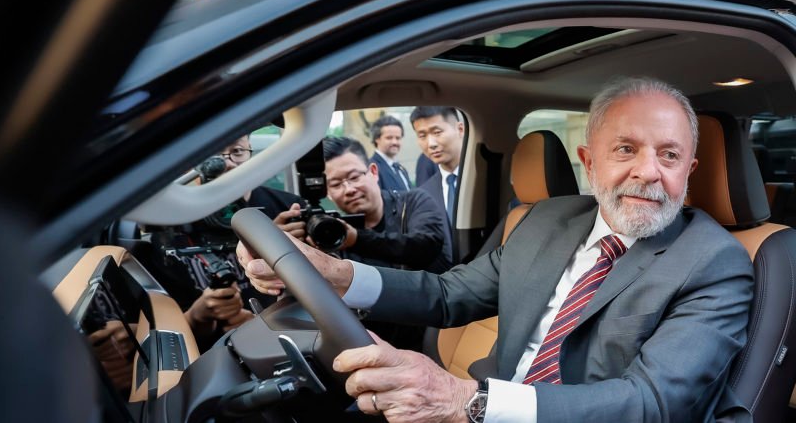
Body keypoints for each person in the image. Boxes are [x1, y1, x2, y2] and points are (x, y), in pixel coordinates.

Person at [240, 77, 754, 423]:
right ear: (588, 162)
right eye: (626, 149)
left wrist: (469, 400)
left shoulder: (714, 263)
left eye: (669, 155)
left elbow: (651, 403)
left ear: (689, 170)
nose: (649, 171)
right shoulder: (544, 220)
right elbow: (447, 295)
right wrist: (336, 275)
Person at [275, 136, 453, 350]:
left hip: (431, 335)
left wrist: (356, 239)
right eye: (336, 184)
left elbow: (424, 246)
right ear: (328, 193)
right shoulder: (326, 233)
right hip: (366, 345)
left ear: (374, 172)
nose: (349, 189)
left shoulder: (414, 202)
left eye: (354, 177)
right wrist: (286, 246)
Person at [147, 134, 306, 349]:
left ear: (250, 151)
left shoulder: (288, 208)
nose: (227, 164)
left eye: (238, 151)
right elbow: (163, 338)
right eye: (210, 155)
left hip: (292, 343)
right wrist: (198, 316)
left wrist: (285, 245)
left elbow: (322, 290)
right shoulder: (165, 229)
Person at [411, 107, 465, 224]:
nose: (431, 144)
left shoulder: (486, 178)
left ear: (460, 129)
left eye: (437, 133)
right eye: (422, 136)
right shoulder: (424, 194)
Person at [369, 115, 413, 192]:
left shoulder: (401, 169)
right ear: (377, 139)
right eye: (389, 138)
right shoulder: (371, 167)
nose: (394, 142)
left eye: (398, 138)